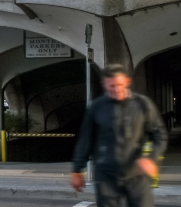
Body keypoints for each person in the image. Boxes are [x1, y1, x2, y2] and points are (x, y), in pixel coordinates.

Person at [71, 64, 167, 207]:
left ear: (127, 81)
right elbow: (85, 140)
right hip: (106, 174)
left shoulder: (142, 104)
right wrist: (77, 171)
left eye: (120, 85)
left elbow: (160, 135)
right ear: (104, 85)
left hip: (137, 173)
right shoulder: (97, 107)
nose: (116, 90)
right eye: (111, 86)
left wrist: (151, 158)